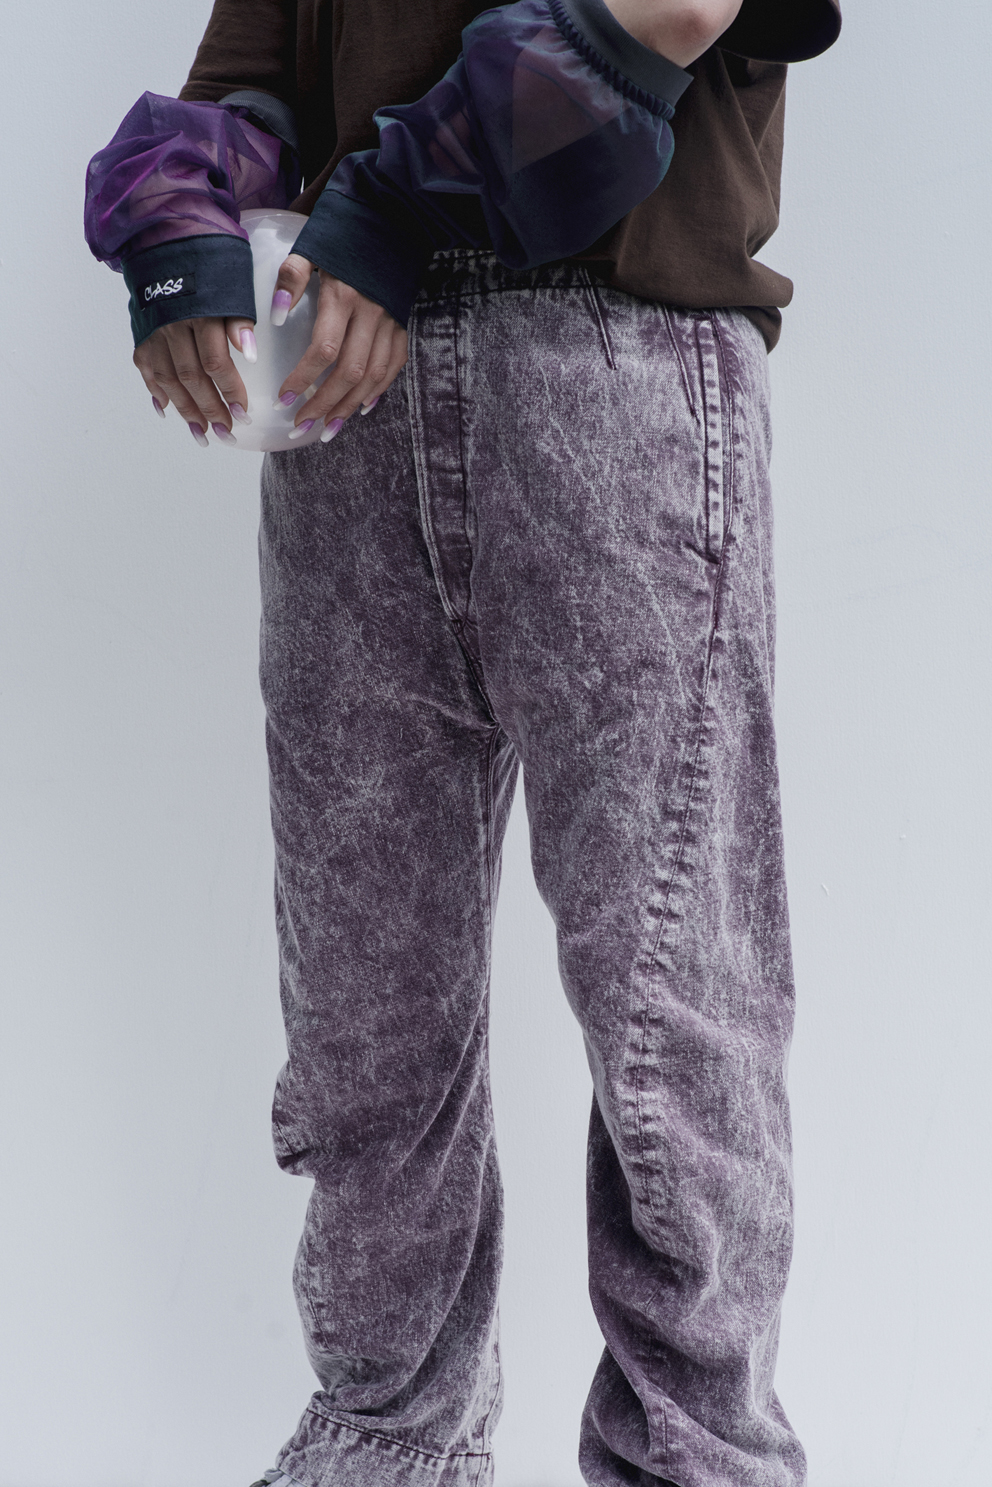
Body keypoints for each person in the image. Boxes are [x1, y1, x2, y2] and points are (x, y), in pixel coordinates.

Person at [84, 3, 842, 1486]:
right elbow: (247, 83)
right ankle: (388, 1444)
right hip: (339, 397)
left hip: (612, 363)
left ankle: (695, 1463)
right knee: (365, 1030)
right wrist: (178, 233)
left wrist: (388, 216)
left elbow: (675, 7)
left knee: (670, 1022)